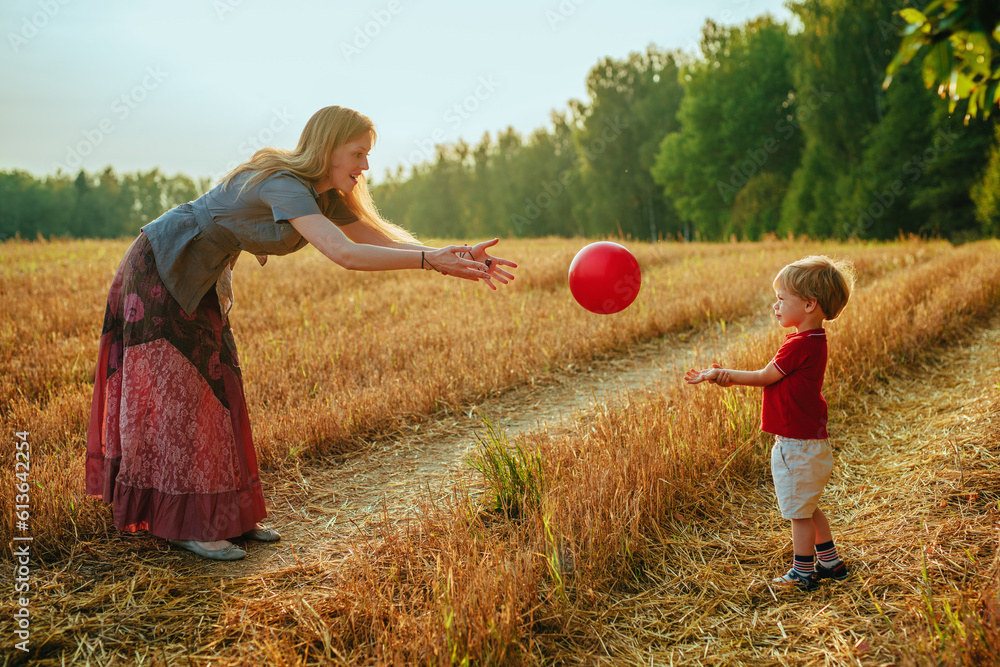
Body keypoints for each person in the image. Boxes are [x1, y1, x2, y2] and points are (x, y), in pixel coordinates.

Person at [86, 105, 517, 561]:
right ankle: (185, 524)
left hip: (201, 278)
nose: (365, 166)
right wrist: (433, 261)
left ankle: (228, 516)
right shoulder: (285, 183)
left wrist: (450, 256)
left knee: (219, 389)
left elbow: (383, 241)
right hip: (161, 267)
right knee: (182, 396)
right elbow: (344, 253)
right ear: (328, 148)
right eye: (358, 154)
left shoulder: (323, 194)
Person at [684, 255, 854, 592]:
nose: (774, 306)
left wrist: (721, 375)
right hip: (809, 440)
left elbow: (764, 377)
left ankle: (803, 572)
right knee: (808, 505)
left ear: (809, 304)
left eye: (780, 299)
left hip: (796, 443)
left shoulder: (799, 345)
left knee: (799, 514)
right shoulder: (813, 341)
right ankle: (831, 562)